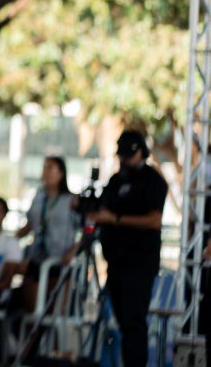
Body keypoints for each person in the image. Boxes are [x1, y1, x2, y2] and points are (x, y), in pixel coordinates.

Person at [86, 130, 167, 367]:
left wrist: (116, 219)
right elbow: (102, 207)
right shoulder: (116, 180)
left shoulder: (153, 180)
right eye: (121, 155)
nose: (123, 160)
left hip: (140, 263)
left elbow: (154, 220)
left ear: (141, 153)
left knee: (134, 321)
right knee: (123, 321)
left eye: (128, 155)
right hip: (116, 261)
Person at [16, 155, 80, 312]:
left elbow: (87, 228)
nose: (45, 172)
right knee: (31, 309)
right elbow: (30, 225)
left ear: (61, 173)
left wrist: (73, 251)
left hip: (60, 259)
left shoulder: (71, 200)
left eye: (50, 168)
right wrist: (10, 240)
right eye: (44, 168)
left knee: (54, 309)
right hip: (36, 257)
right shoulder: (39, 197)